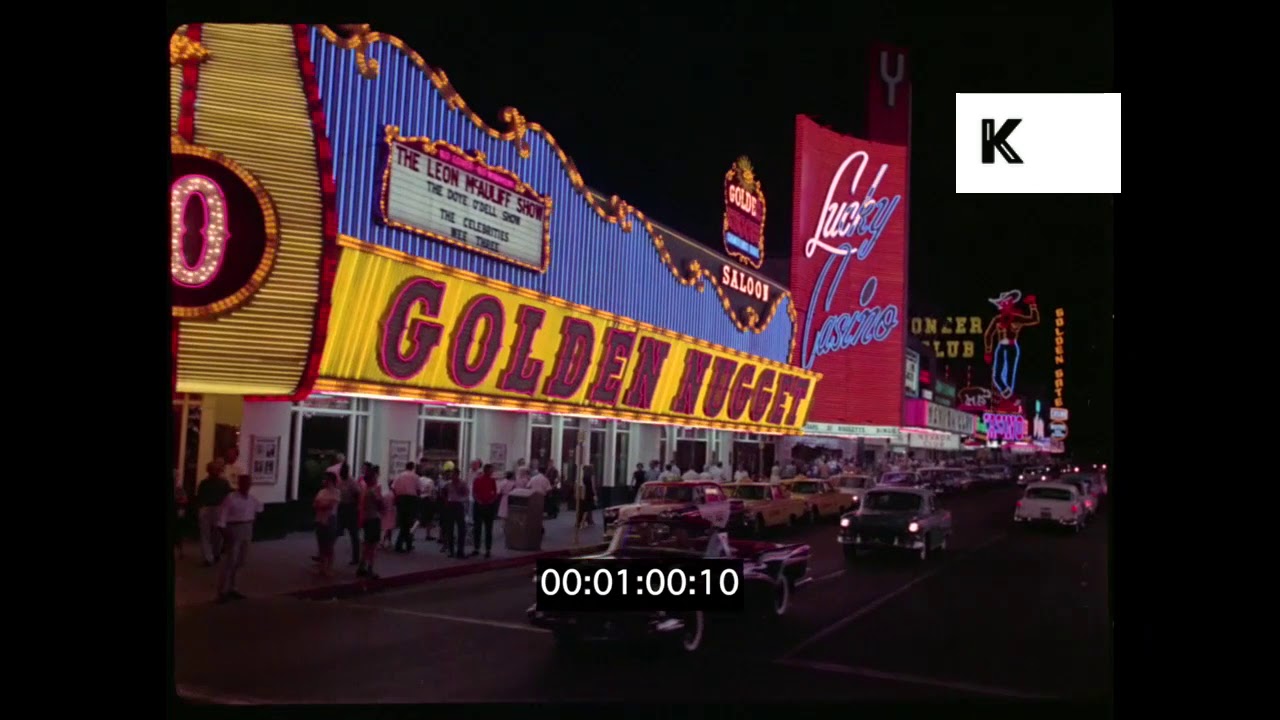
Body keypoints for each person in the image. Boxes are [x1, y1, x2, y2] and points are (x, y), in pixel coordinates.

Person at [215, 474, 264, 603]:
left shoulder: (252, 499)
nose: (247, 486)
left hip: (247, 528)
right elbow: (222, 518)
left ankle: (234, 587)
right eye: (244, 483)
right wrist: (225, 534)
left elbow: (259, 509)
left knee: (241, 561)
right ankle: (222, 590)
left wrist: (252, 522)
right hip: (234, 528)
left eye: (249, 483)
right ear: (239, 484)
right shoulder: (231, 498)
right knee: (230, 561)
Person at [195, 459, 232, 566]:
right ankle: (215, 554)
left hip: (207, 508)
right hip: (217, 509)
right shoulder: (224, 483)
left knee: (205, 534)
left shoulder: (204, 483)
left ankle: (208, 557)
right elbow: (228, 497)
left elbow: (199, 496)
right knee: (217, 534)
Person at [357, 466, 384, 578]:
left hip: (367, 518)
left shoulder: (365, 491)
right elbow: (381, 505)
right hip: (374, 519)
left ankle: (362, 566)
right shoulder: (374, 491)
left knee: (366, 544)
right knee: (373, 546)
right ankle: (370, 569)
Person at [337, 464, 366, 566]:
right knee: (334, 532)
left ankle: (356, 557)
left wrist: (357, 507)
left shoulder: (351, 481)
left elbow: (358, 494)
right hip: (341, 507)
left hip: (350, 508)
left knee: (354, 534)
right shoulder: (340, 481)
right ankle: (325, 554)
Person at [313, 472, 341, 577]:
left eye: (326, 479)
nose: (324, 481)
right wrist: (322, 505)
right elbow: (315, 504)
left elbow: (331, 506)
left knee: (329, 545)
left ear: (331, 481)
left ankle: (329, 568)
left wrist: (322, 505)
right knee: (321, 545)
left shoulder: (336, 492)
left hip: (330, 520)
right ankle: (322, 568)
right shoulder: (321, 492)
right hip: (320, 520)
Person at [471, 464, 500, 559]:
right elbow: (474, 492)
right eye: (490, 470)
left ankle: (487, 549)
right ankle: (477, 547)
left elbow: (495, 492)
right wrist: (479, 501)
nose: (491, 472)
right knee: (477, 528)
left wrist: (491, 501)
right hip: (480, 505)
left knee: (488, 529)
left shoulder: (492, 481)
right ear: (486, 470)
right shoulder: (478, 480)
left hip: (488, 506)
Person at [392, 461, 420, 553]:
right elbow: (418, 489)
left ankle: (407, 544)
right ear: (413, 467)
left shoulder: (399, 476)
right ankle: (400, 545)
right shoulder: (415, 476)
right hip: (411, 500)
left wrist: (396, 496)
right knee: (408, 523)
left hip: (401, 499)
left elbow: (393, 487)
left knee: (404, 522)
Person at [443, 468, 469, 558]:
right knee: (450, 528)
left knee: (461, 528)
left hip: (459, 504)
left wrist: (460, 490)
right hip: (450, 505)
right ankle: (451, 550)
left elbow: (466, 494)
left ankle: (460, 550)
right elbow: (444, 494)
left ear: (458, 474)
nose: (452, 476)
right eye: (451, 474)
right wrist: (446, 502)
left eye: (454, 474)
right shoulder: (447, 484)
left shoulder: (462, 483)